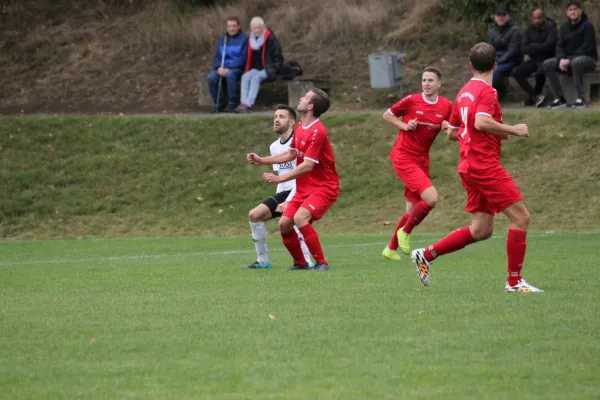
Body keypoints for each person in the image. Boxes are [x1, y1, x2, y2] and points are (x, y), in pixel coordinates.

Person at [410, 42, 543, 293]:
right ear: (495, 65)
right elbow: (481, 122)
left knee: (481, 229)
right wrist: (513, 130)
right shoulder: (487, 92)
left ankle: (426, 255)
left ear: (471, 65)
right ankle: (514, 283)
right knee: (521, 218)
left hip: (468, 166)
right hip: (483, 166)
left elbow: (450, 133)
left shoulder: (463, 93)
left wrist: (478, 132)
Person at [246, 89, 338, 271]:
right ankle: (300, 263)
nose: (301, 98)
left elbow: (307, 166)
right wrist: (262, 160)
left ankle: (322, 263)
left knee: (300, 217)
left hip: (323, 187)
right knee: (284, 223)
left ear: (310, 106)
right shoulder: (300, 129)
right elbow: (290, 154)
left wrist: (280, 178)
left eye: (305, 97)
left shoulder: (317, 131)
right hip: (305, 188)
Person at [381, 67, 453, 261]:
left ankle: (390, 248)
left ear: (439, 84)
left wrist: (448, 128)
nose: (426, 84)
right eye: (424, 80)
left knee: (412, 210)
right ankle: (405, 232)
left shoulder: (446, 105)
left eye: (430, 80)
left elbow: (454, 131)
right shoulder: (412, 100)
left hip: (422, 159)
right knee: (431, 198)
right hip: (404, 156)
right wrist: (404, 125)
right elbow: (387, 115)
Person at [244, 105, 313, 269]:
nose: (276, 119)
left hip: (300, 190)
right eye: (275, 116)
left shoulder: (300, 142)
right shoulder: (274, 147)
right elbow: (282, 177)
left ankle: (307, 262)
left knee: (291, 221)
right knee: (255, 215)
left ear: (291, 122)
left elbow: (303, 174)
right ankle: (263, 260)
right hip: (284, 192)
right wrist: (280, 200)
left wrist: (290, 200)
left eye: (281, 116)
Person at [544, 0, 597, 109]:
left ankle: (580, 99)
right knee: (548, 64)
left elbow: (586, 47)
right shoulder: (564, 27)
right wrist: (561, 59)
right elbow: (559, 45)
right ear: (567, 13)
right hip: (568, 60)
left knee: (576, 62)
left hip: (588, 60)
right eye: (570, 10)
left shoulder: (587, 26)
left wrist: (569, 59)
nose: (573, 12)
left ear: (580, 11)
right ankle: (560, 99)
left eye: (575, 9)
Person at [235, 17, 284, 113]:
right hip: (257, 68)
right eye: (255, 28)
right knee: (245, 76)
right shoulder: (250, 39)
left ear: (263, 27)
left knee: (255, 78)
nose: (257, 30)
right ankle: (243, 103)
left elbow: (278, 58)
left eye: (259, 28)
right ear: (252, 29)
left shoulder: (271, 38)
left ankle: (249, 104)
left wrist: (273, 68)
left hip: (270, 68)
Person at [511, 8, 557, 107]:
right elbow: (524, 49)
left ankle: (533, 98)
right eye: (534, 18)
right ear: (532, 18)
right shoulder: (529, 29)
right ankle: (534, 96)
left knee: (541, 72)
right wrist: (539, 46)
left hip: (548, 58)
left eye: (539, 18)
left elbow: (549, 46)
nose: (536, 21)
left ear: (543, 18)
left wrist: (533, 46)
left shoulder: (551, 27)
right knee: (516, 72)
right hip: (534, 59)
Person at [206, 17, 248, 113]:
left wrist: (229, 68)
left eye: (234, 26)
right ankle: (219, 104)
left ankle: (232, 103)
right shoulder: (222, 40)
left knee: (230, 75)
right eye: (229, 26)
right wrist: (218, 67)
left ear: (238, 27)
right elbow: (217, 56)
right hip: (222, 68)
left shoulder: (244, 39)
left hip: (237, 68)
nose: (231, 28)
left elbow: (243, 58)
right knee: (210, 77)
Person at [487, 6, 523, 90]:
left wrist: (498, 61)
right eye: (498, 15)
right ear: (495, 17)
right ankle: (476, 94)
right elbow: (489, 49)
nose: (501, 17)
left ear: (508, 16)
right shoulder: (492, 32)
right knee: (481, 69)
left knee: (495, 71)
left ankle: (486, 97)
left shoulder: (515, 31)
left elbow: (512, 51)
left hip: (513, 60)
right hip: (496, 60)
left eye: (503, 15)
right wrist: (492, 60)